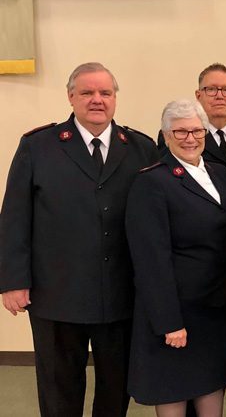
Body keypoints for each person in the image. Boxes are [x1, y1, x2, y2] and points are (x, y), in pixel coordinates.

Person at [0, 62, 158, 417]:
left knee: (115, 389)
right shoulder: (38, 146)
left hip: (120, 294)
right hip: (56, 294)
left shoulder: (140, 148)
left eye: (105, 92)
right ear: (71, 97)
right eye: (87, 92)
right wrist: (13, 281)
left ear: (115, 98)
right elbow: (14, 216)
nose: (97, 100)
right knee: (59, 389)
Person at [159, 63, 226, 417]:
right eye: (211, 89)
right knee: (199, 360)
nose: (219, 95)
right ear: (198, 95)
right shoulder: (173, 139)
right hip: (195, 277)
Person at [126, 99, 226, 417]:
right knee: (173, 391)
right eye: (180, 132)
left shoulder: (221, 175)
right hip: (177, 312)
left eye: (196, 130)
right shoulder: (151, 182)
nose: (190, 138)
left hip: (216, 310)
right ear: (165, 135)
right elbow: (151, 260)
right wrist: (169, 322)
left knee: (211, 388)